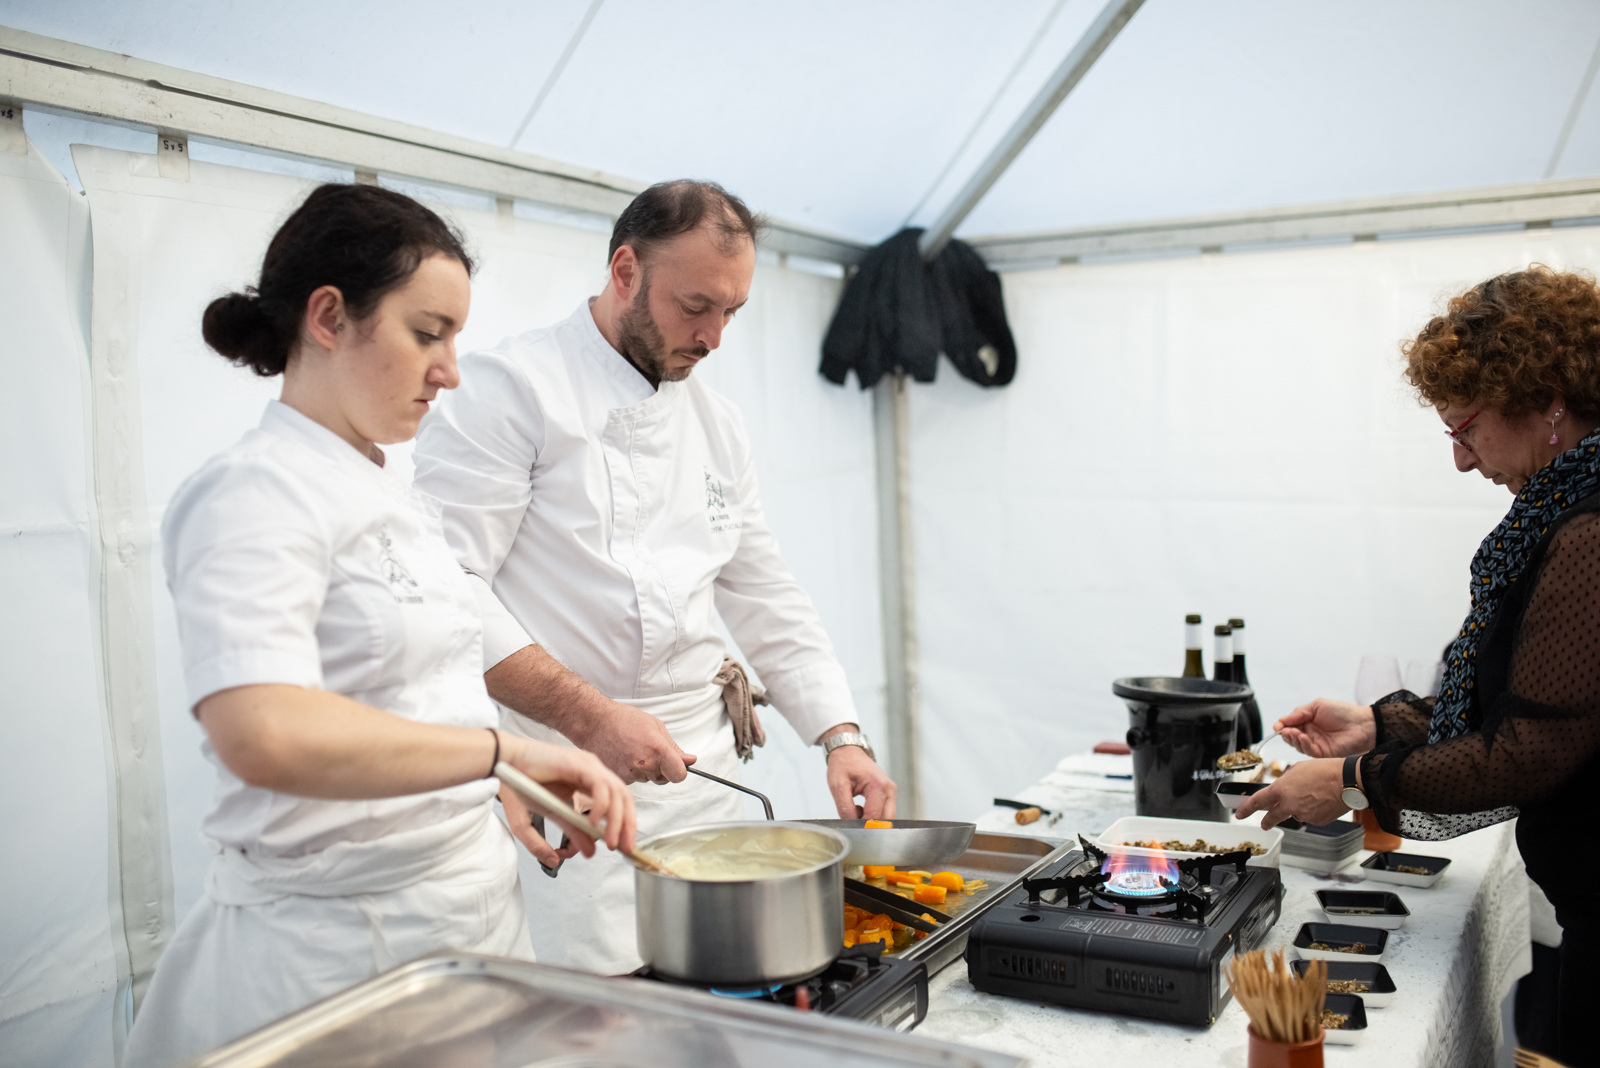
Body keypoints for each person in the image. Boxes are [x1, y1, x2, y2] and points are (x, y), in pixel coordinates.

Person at [124, 184, 636, 1068]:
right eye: (428, 333)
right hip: (335, 949)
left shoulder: (391, 492)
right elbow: (264, 734)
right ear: (329, 316)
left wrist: (486, 784)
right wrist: (499, 753)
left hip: (468, 915)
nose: (451, 370)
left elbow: (412, 692)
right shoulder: (253, 492)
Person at [412, 179, 896, 973]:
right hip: (566, 780)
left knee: (722, 991)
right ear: (626, 271)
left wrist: (841, 738)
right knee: (597, 1011)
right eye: (695, 305)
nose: (713, 338)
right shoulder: (513, 390)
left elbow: (763, 589)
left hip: (706, 781)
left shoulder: (717, 423)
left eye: (732, 312)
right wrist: (592, 718)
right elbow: (448, 587)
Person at [1236, 265, 1600, 1067]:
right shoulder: (1560, 512)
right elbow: (1540, 705)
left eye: (1465, 430)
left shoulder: (1588, 531)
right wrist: (1382, 724)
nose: (1463, 461)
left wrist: (1352, 782)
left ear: (1547, 402)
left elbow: (1531, 752)